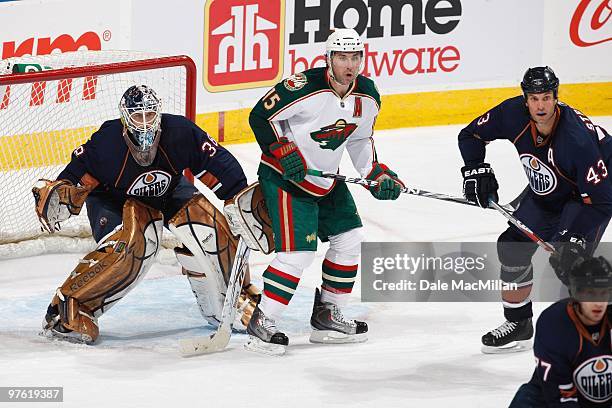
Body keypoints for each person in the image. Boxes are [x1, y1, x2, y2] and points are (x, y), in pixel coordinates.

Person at [32, 85, 260, 344]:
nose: (144, 122)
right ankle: (67, 309)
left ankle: (229, 302)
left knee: (209, 227)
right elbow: (74, 177)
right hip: (114, 199)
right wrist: (61, 194)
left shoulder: (180, 132)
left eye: (149, 114)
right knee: (134, 245)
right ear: (125, 117)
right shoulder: (107, 143)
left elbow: (219, 162)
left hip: (168, 190)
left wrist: (239, 196)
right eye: (137, 116)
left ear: (158, 114)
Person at [241, 28, 404, 355]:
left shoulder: (368, 95)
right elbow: (260, 116)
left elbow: (359, 140)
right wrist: (283, 152)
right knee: (299, 253)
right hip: (285, 178)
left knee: (351, 239)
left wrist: (374, 172)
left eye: (355, 57)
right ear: (328, 59)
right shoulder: (302, 87)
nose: (349, 64)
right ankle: (263, 320)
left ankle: (328, 312)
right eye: (342, 57)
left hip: (326, 178)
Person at [457, 66, 612, 353]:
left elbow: (603, 202)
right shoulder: (511, 113)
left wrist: (575, 239)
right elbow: (470, 136)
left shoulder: (576, 141)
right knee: (511, 246)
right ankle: (519, 323)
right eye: (534, 98)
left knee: (573, 266)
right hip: (548, 190)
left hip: (587, 194)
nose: (540, 106)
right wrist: (476, 169)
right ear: (525, 98)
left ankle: (596, 342)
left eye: (546, 97)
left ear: (556, 97)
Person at [509, 256, 612, 407]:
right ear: (576, 293)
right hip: (544, 401)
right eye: (590, 294)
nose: (598, 302)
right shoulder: (554, 324)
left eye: (603, 294)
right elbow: (562, 400)